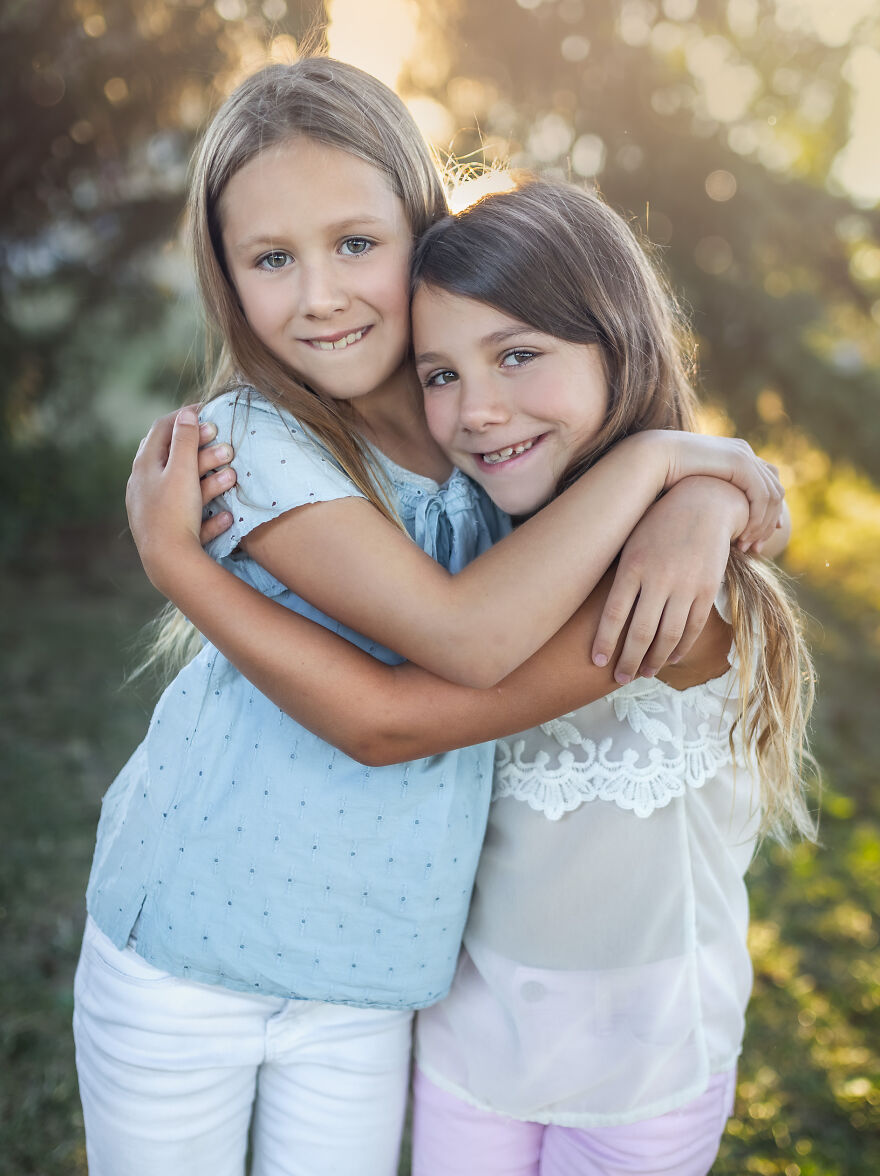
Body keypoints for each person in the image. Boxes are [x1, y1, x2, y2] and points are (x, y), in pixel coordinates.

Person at [125, 177, 813, 1176]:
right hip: (467, 1057)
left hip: (641, 1074)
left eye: (519, 354)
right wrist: (692, 469)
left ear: (620, 342)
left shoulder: (675, 589)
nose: (478, 410)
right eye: (438, 373)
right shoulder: (481, 547)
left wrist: (690, 476)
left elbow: (387, 720)